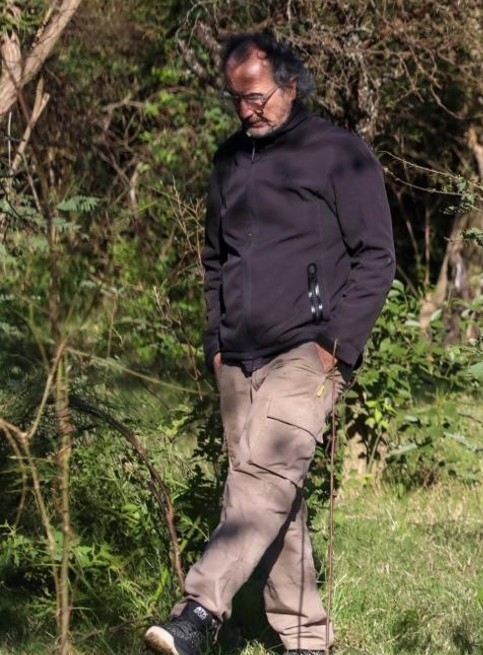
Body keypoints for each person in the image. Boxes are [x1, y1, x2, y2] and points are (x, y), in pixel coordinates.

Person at [144, 33, 395, 655]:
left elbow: (377, 257)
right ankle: (309, 640)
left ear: (289, 86)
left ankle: (199, 610)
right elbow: (215, 258)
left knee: (262, 476)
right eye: (238, 100)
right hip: (239, 355)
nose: (248, 110)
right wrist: (216, 341)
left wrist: (334, 343)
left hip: (307, 350)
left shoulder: (339, 153)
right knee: (268, 493)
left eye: (257, 97)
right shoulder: (229, 159)